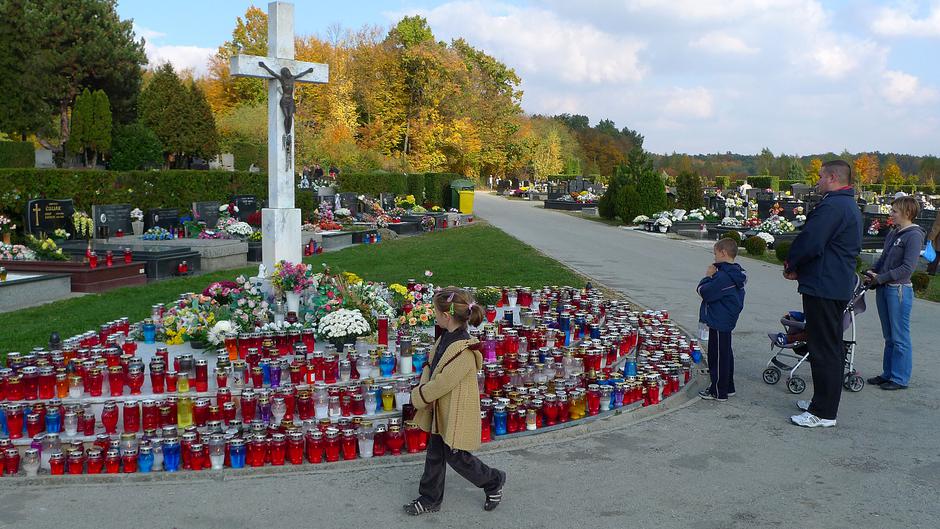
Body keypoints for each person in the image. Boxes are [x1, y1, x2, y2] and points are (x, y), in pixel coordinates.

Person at [404, 287, 506, 516]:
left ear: (446, 316)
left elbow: (443, 382)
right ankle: (430, 497)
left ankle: (494, 480)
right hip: (440, 410)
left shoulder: (465, 351)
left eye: (435, 312)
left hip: (454, 412)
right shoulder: (444, 339)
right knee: (435, 454)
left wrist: (418, 396)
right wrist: (423, 385)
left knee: (457, 457)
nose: (433, 315)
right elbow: (431, 366)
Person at [783, 160, 862, 428]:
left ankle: (824, 412)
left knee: (824, 348)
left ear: (832, 177)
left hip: (824, 285)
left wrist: (792, 264)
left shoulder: (833, 206)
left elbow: (811, 241)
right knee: (828, 346)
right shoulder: (846, 204)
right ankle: (822, 401)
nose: (817, 182)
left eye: (819, 177)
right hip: (831, 283)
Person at [864, 196, 925, 390]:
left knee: (900, 336)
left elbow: (907, 268)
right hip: (884, 288)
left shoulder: (914, 235)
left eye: (894, 211)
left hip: (898, 291)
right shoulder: (894, 233)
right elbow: (884, 259)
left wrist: (881, 278)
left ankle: (899, 378)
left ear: (907, 213)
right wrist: (872, 272)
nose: (891, 214)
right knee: (889, 336)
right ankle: (888, 373)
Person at [696, 238, 747, 401]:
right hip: (726, 317)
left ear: (723, 252)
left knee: (717, 356)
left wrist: (707, 277)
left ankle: (718, 391)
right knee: (725, 353)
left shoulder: (723, 276)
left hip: (719, 318)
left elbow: (705, 292)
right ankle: (728, 386)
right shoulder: (735, 273)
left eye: (715, 253)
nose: (714, 257)